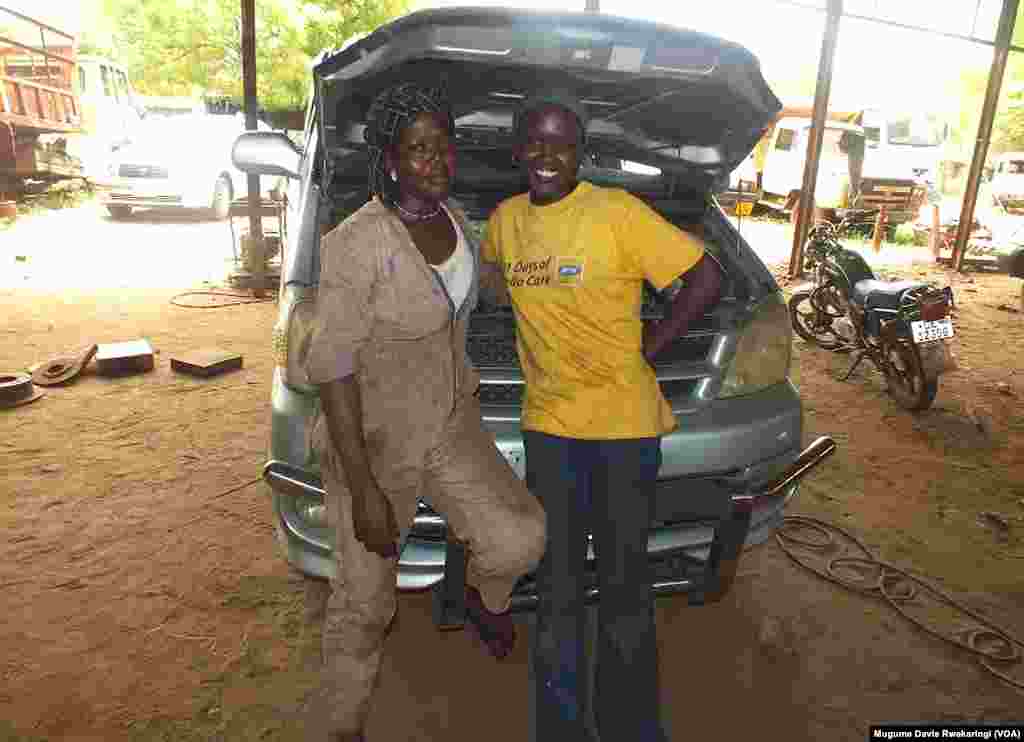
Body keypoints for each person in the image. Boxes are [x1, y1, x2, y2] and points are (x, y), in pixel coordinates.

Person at [302, 82, 546, 742]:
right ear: (389, 159)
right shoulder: (354, 244)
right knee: (366, 604)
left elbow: (471, 291)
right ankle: (339, 722)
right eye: (418, 150)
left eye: (444, 146)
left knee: (520, 538)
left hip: (449, 419)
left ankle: (479, 597)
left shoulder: (456, 220)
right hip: (374, 439)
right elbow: (332, 368)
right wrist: (363, 490)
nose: (436, 161)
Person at [482, 90, 723, 742]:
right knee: (557, 587)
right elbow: (489, 279)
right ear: (517, 150)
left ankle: (631, 730)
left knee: (623, 585)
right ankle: (559, 731)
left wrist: (652, 343)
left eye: (561, 142)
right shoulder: (504, 222)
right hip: (551, 430)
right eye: (534, 140)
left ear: (580, 152)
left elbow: (706, 277)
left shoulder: (616, 213)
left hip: (622, 432)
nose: (546, 154)